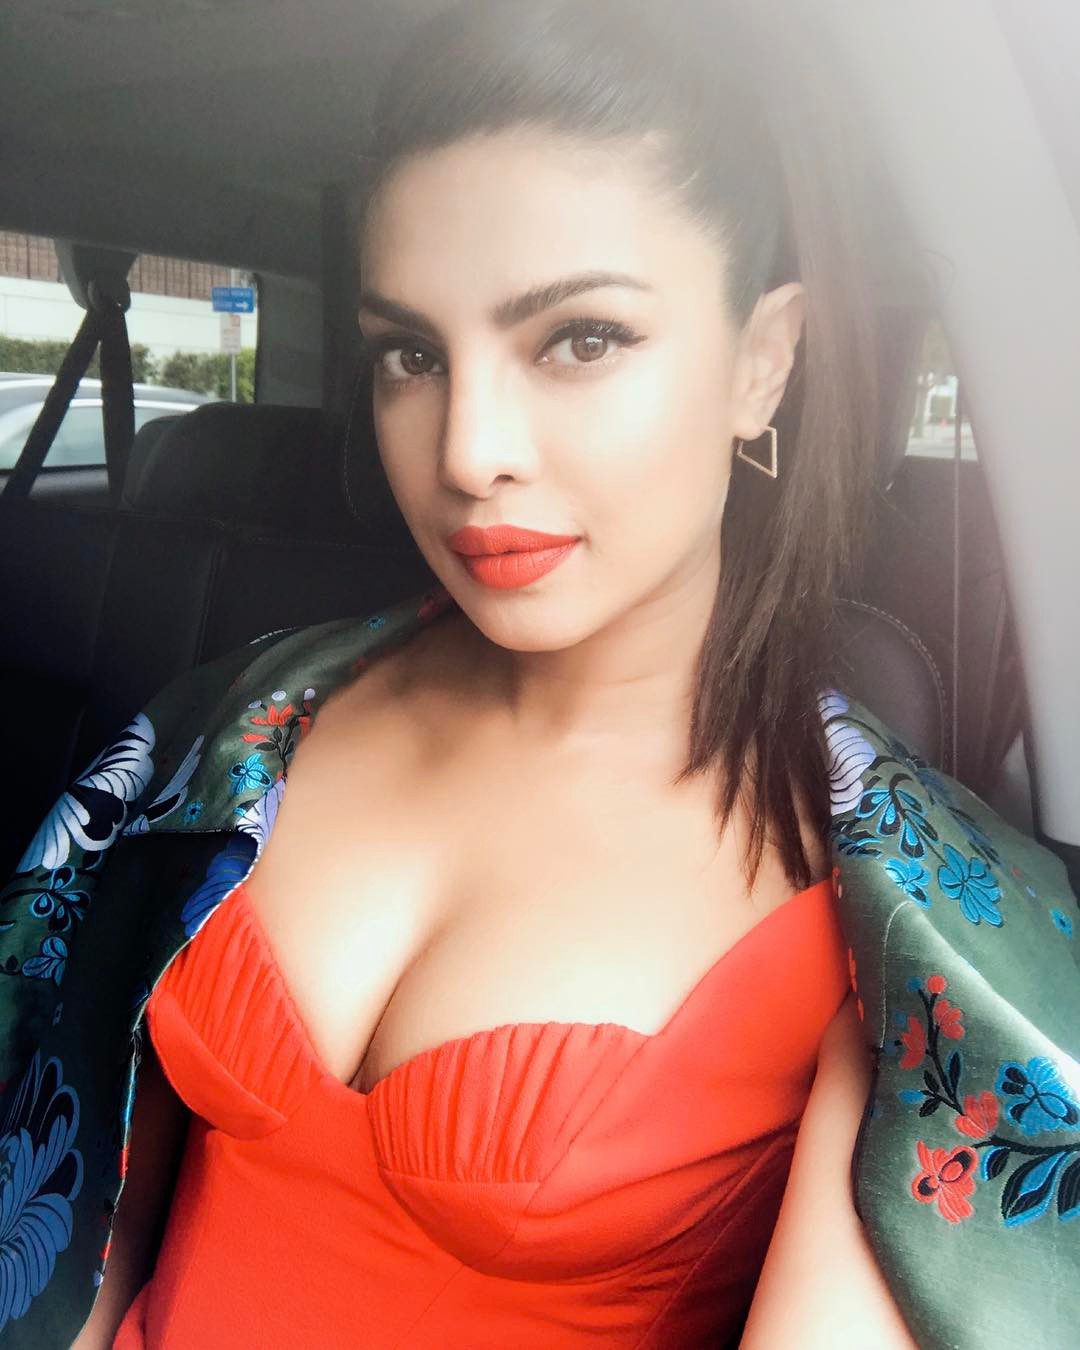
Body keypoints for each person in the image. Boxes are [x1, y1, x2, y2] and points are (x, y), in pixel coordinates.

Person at [2, 1, 1071, 1346]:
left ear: (762, 361)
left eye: (581, 338)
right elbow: (72, 1216)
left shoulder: (902, 921)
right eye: (412, 354)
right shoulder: (237, 728)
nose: (467, 450)